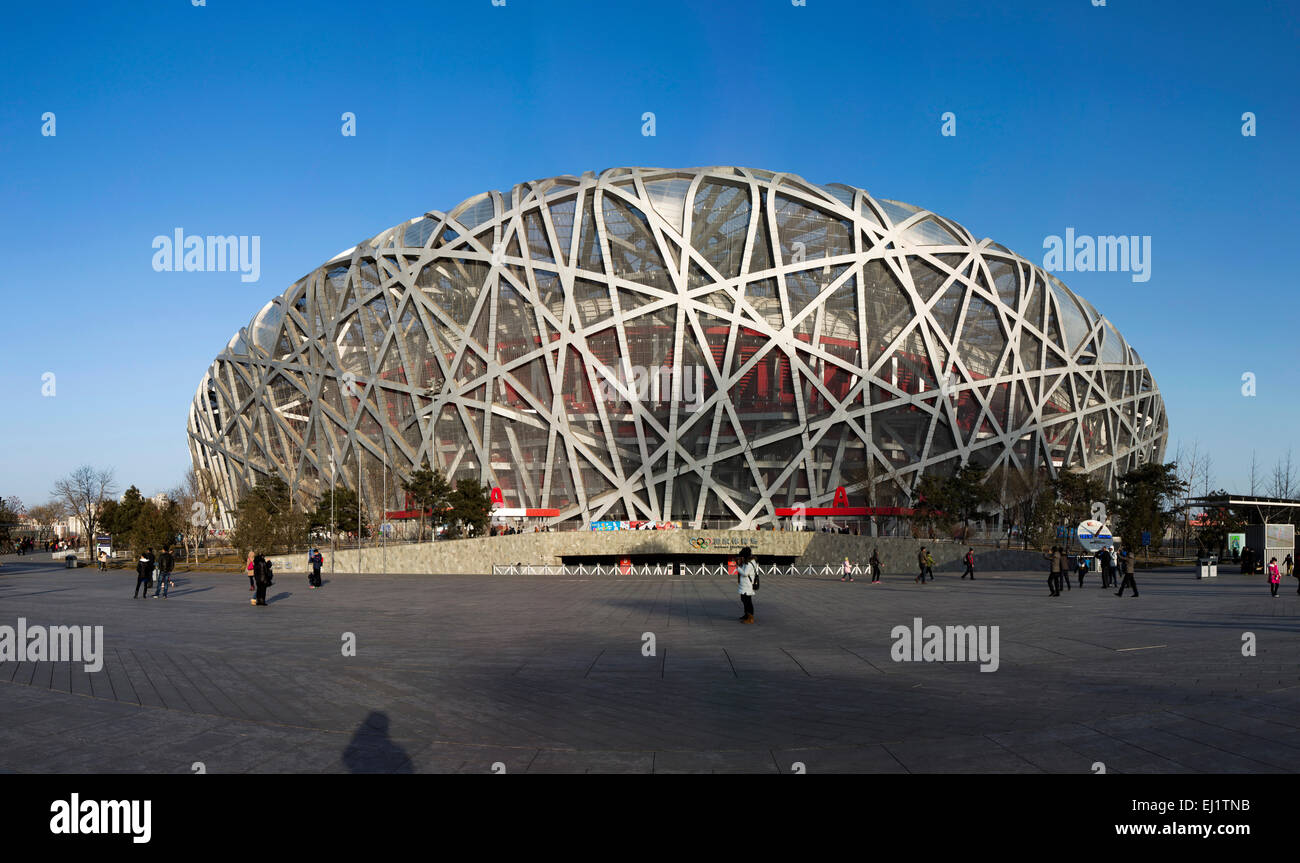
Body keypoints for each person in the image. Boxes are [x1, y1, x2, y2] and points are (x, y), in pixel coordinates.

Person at [736, 546, 756, 624]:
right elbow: (743, 570)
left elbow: (745, 573)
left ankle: (750, 618)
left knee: (747, 601)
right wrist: (740, 564)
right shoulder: (746, 561)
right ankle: (746, 614)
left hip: (747, 585)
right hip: (744, 585)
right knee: (744, 600)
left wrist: (737, 567)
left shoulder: (750, 563)